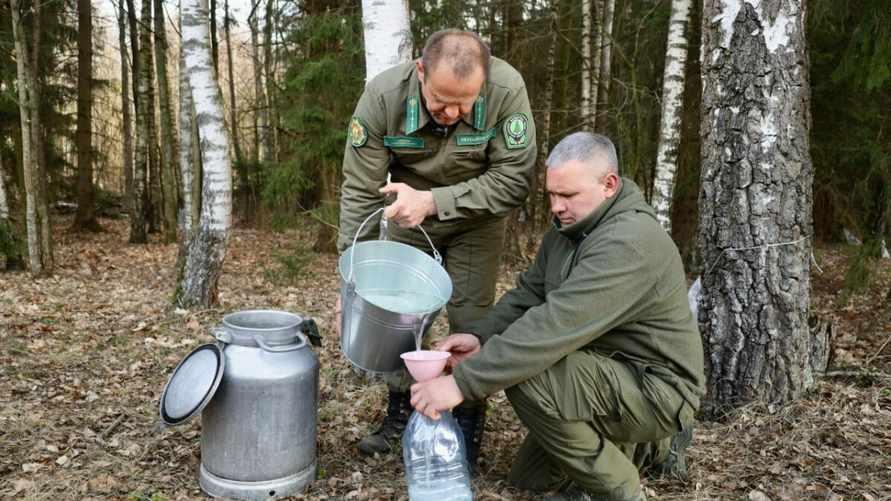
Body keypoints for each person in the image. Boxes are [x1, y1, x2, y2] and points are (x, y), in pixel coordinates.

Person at [408, 132, 705, 501]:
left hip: (656, 389)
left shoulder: (629, 242)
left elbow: (554, 326)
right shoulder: (570, 230)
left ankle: (622, 486)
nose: (557, 206)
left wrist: (461, 384)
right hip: (605, 368)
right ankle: (651, 448)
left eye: (568, 195)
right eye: (552, 194)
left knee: (530, 375)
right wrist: (481, 337)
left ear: (609, 185)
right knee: (530, 480)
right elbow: (532, 293)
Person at [336, 28, 537, 468]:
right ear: (421, 70)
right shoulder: (384, 97)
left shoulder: (506, 90)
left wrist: (434, 202)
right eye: (441, 100)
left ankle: (465, 417)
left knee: (470, 319)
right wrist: (353, 281)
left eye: (464, 103)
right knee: (400, 318)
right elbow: (360, 191)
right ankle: (401, 410)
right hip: (407, 218)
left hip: (475, 220)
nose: (451, 113)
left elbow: (513, 180)